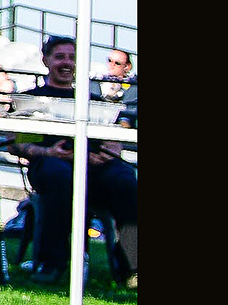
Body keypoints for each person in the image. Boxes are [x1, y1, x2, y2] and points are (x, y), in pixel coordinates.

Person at [12, 37, 137, 285]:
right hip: (51, 165)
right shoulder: (32, 99)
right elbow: (20, 144)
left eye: (71, 57)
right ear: (46, 60)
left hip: (95, 170)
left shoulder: (94, 101)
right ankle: (52, 263)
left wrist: (104, 154)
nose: (66, 63)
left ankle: (131, 267)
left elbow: (113, 142)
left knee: (125, 180)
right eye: (60, 57)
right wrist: (48, 153)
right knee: (58, 175)